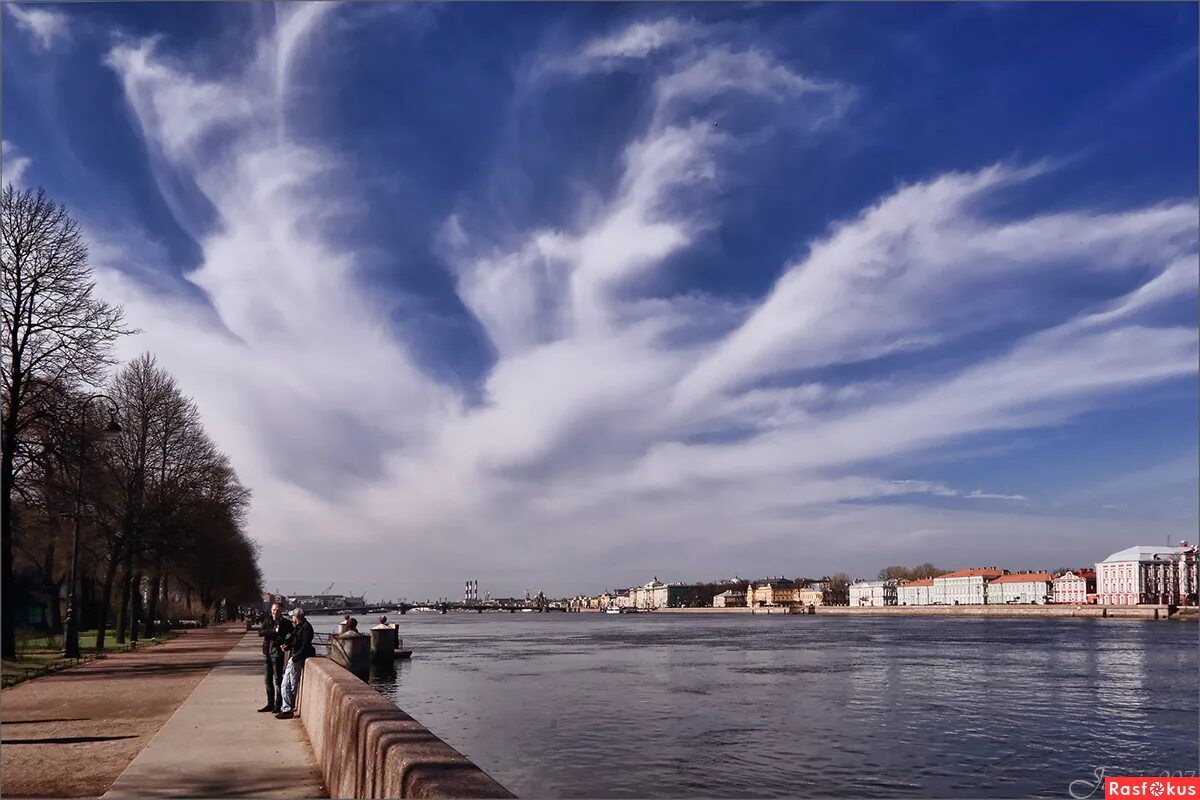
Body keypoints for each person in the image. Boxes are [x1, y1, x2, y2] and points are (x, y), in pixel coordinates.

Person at [276, 608, 315, 720]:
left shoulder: (306, 627)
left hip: (297, 659)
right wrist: (287, 646)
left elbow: (305, 645)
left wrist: (296, 657)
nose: (291, 618)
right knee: (285, 684)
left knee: (292, 685)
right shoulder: (298, 627)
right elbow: (294, 641)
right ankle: (286, 708)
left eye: (292, 616)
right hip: (293, 657)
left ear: (297, 616)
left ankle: (288, 709)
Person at [257, 603, 293, 713]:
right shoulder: (268, 621)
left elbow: (293, 634)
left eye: (277, 610)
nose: (275, 612)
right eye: (273, 610)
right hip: (267, 652)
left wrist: (285, 643)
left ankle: (278, 704)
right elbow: (260, 632)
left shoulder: (286, 623)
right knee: (267, 680)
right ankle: (270, 703)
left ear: (281, 611)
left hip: (277, 653)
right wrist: (273, 631)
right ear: (271, 610)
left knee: (277, 680)